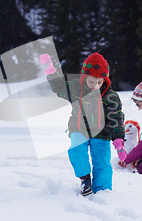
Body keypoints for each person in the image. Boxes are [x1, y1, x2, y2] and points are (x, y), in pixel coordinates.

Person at [40, 52, 126, 196]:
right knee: (76, 150)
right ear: (84, 78)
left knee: (102, 162)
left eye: (100, 82)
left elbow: (116, 118)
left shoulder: (110, 96)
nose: (95, 86)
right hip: (79, 127)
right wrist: (50, 70)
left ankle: (102, 190)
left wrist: (118, 140)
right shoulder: (75, 89)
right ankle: (85, 179)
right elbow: (59, 87)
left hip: (102, 132)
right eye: (91, 82)